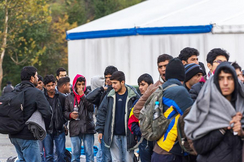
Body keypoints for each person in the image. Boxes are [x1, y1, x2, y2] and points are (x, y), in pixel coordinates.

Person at [184, 62, 244, 162]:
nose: (225, 83)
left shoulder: (241, 108)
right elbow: (199, 148)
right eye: (221, 78)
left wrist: (241, 133)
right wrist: (223, 127)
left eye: (229, 78)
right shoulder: (206, 108)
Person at [151, 58, 193, 162]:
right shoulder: (179, 91)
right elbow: (193, 117)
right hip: (170, 152)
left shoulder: (162, 88)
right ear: (182, 75)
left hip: (159, 148)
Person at [9, 66, 52, 162]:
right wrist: (44, 128)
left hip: (14, 135)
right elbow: (47, 112)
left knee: (21, 159)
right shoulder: (36, 93)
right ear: (32, 78)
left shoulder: (15, 91)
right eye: (36, 76)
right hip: (28, 136)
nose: (37, 78)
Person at [96, 71, 140, 162]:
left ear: (122, 82)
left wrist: (136, 131)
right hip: (113, 136)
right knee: (116, 160)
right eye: (112, 83)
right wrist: (100, 130)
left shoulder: (133, 96)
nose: (113, 85)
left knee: (128, 160)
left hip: (128, 135)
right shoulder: (109, 95)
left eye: (115, 83)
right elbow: (101, 112)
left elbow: (140, 113)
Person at [86, 65, 118, 162]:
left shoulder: (119, 91)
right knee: (103, 156)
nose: (108, 80)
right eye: (106, 78)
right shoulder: (103, 93)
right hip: (104, 129)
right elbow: (89, 98)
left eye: (110, 77)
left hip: (116, 129)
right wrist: (101, 89)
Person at [64, 74, 95, 162]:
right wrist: (70, 115)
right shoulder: (69, 97)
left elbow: (91, 108)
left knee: (89, 154)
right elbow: (65, 112)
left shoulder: (89, 94)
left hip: (88, 128)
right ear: (75, 85)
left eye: (83, 84)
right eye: (79, 84)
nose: (81, 87)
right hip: (75, 128)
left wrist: (83, 96)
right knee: (75, 154)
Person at [133, 54, 173, 119]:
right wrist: (152, 123)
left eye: (166, 66)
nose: (163, 69)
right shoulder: (153, 88)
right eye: (160, 67)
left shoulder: (181, 84)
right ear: (158, 69)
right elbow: (137, 110)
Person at [128, 73, 154, 162]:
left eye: (143, 84)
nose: (140, 87)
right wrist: (139, 132)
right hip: (143, 140)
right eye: (139, 85)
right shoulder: (137, 103)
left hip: (157, 139)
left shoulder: (159, 99)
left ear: (151, 85)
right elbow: (131, 122)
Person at [43, 75, 66, 162]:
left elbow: (65, 111)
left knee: (61, 154)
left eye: (52, 85)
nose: (51, 87)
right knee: (48, 155)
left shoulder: (61, 97)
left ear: (55, 84)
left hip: (59, 129)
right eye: (48, 86)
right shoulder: (42, 97)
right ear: (45, 86)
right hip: (47, 130)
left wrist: (64, 123)